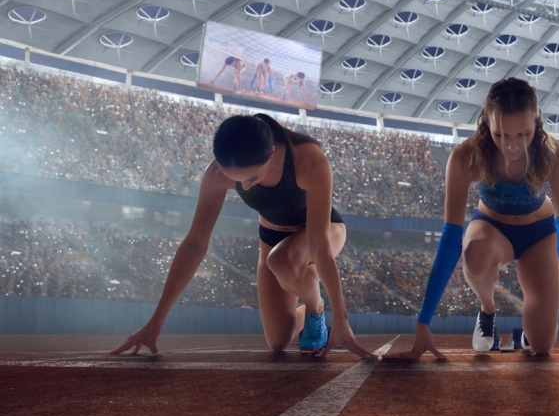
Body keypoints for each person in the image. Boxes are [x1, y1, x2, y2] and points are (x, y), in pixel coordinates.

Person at [385, 78, 559, 361]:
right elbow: (449, 241)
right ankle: (487, 309)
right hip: (491, 229)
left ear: (537, 122)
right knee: (475, 254)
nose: (512, 146)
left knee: (543, 345)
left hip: (540, 234)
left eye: (523, 134)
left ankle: (526, 336)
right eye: (501, 135)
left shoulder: (556, 158)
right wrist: (423, 325)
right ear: (486, 124)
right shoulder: (465, 157)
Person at [111, 113, 373, 359]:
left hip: (325, 230)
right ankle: (308, 309)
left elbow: (318, 244)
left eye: (253, 178)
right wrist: (155, 322)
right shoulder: (215, 174)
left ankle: (316, 309)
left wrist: (341, 318)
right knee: (278, 341)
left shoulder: (309, 161)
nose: (245, 186)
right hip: (271, 239)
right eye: (236, 181)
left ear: (271, 153)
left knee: (281, 260)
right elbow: (194, 244)